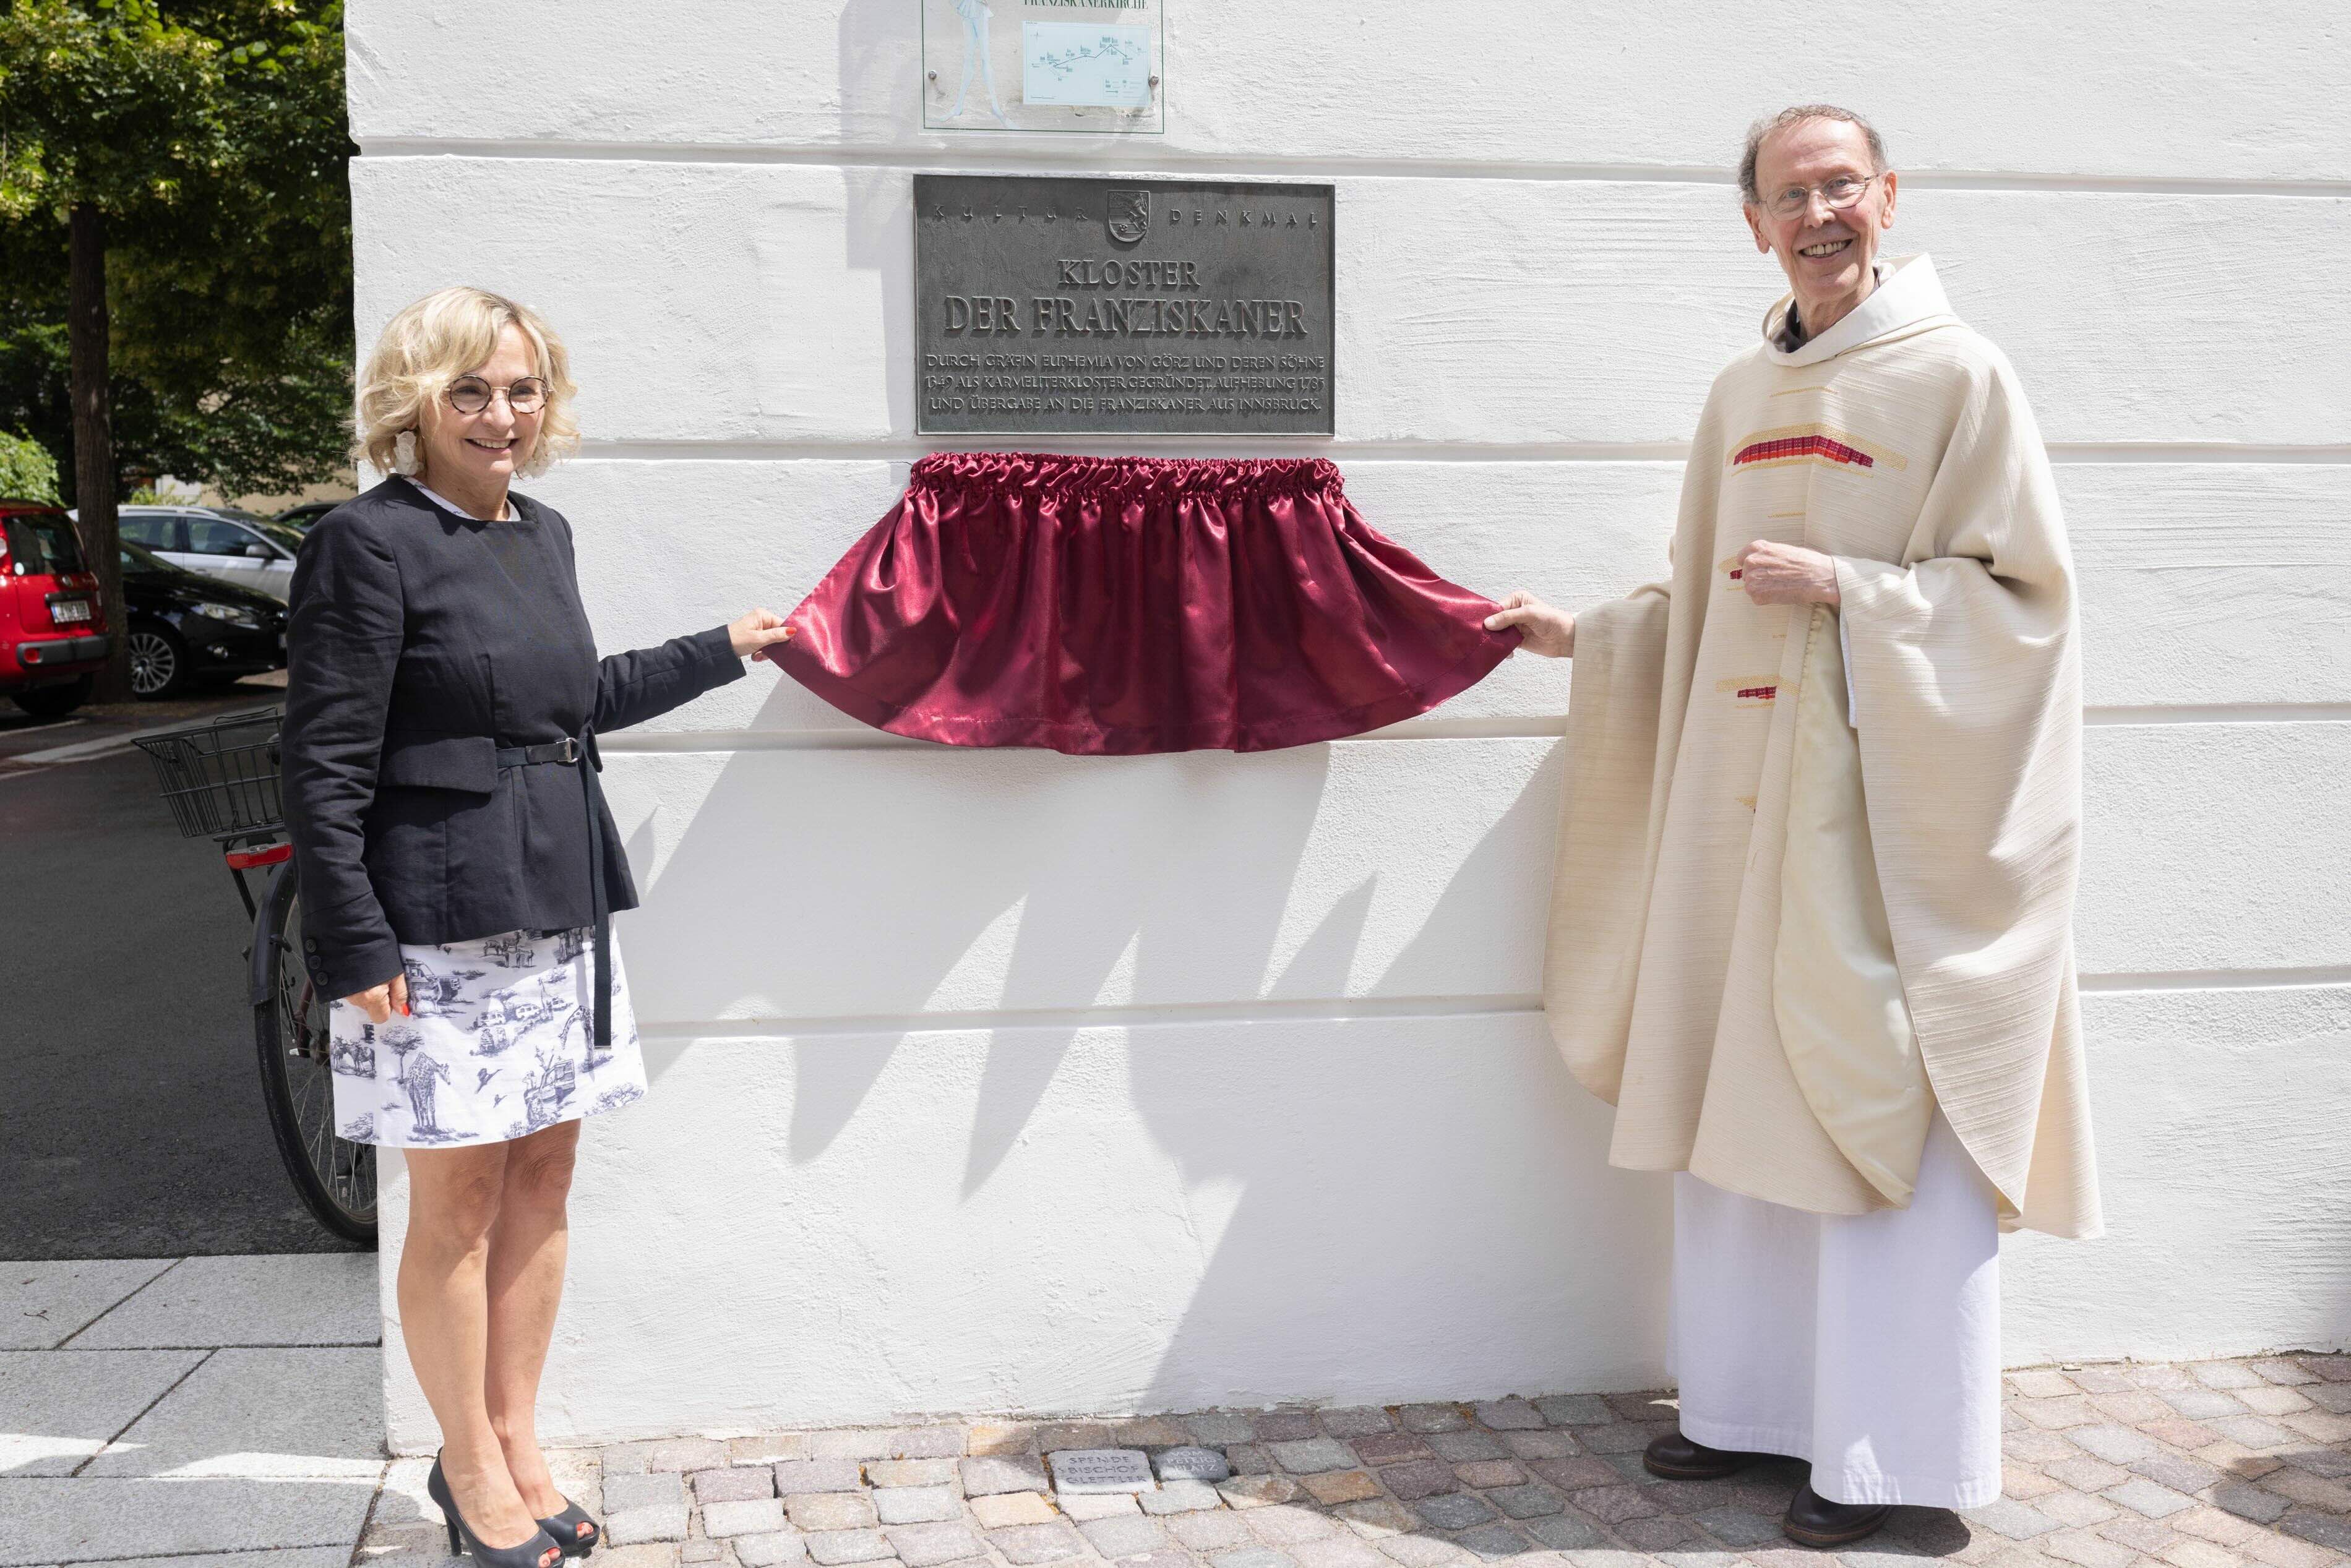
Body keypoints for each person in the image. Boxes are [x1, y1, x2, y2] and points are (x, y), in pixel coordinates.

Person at [1487, 105, 2100, 1547]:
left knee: (1867, 1080)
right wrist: (1583, 635)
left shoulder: (1959, 375)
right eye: (1789, 193)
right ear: (1752, 223)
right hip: (1735, 807)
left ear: (1887, 195)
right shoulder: (1735, 396)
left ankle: (1890, 1456)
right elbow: (1699, 596)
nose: (1820, 212)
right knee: (1739, 1090)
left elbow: (2027, 608)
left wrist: (1855, 593)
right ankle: (1751, 1409)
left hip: (1877, 817)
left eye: (1842, 185)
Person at [282, 286, 794, 1567]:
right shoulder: (368, 541)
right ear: (415, 403)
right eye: (470, 390)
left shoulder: (543, 532)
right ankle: (465, 1465)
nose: (500, 414)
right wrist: (353, 940)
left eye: (520, 388)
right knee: (452, 1205)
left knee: (545, 1181)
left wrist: (726, 646)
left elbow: (578, 698)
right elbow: (324, 760)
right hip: (434, 928)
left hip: (560, 906)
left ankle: (516, 1436)